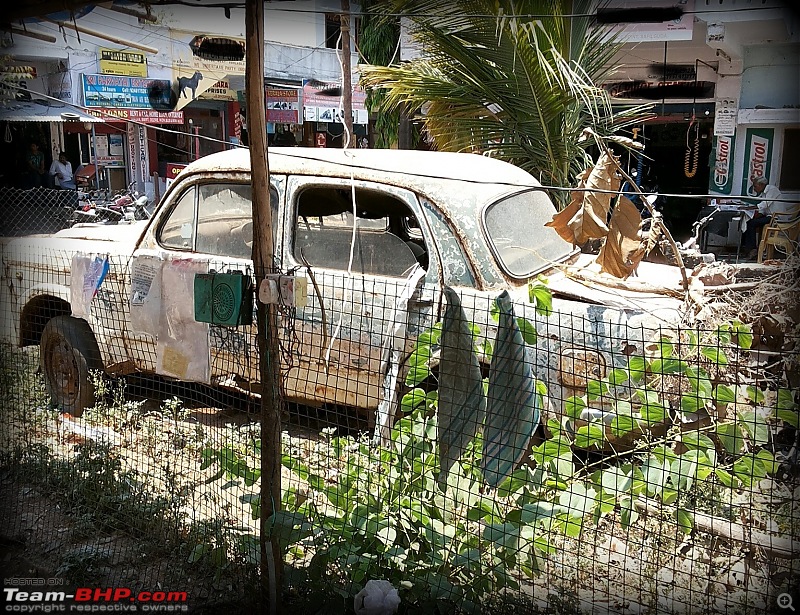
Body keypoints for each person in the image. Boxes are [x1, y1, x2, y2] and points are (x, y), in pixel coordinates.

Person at [740, 176, 788, 258]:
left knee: (752, 223)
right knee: (749, 221)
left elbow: (764, 204)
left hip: (776, 217)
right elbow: (762, 210)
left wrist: (748, 208)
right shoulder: (763, 193)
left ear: (762, 185)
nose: (754, 189)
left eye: (755, 186)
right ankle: (746, 248)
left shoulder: (772, 190)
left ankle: (752, 249)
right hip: (769, 216)